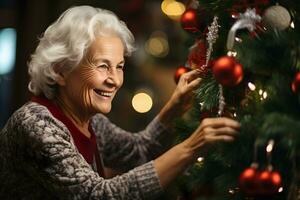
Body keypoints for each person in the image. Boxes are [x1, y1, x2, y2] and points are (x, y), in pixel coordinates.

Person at [0, 5, 240, 200]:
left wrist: (173, 109)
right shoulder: (35, 123)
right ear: (60, 70)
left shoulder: (91, 121)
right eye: (103, 66)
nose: (114, 80)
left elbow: (139, 151)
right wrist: (189, 148)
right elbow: (98, 195)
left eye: (120, 67)